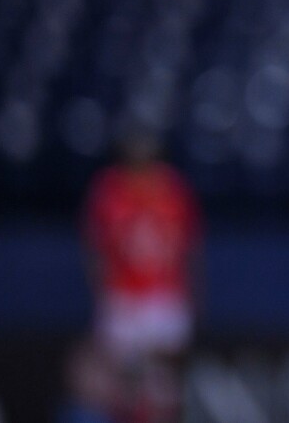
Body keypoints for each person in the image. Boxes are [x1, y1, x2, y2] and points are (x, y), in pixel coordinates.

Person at [82, 129, 203, 423]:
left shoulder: (174, 190)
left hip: (164, 295)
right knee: (120, 385)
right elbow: (96, 252)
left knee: (162, 384)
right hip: (123, 295)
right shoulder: (108, 189)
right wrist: (104, 300)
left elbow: (190, 251)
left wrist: (192, 299)